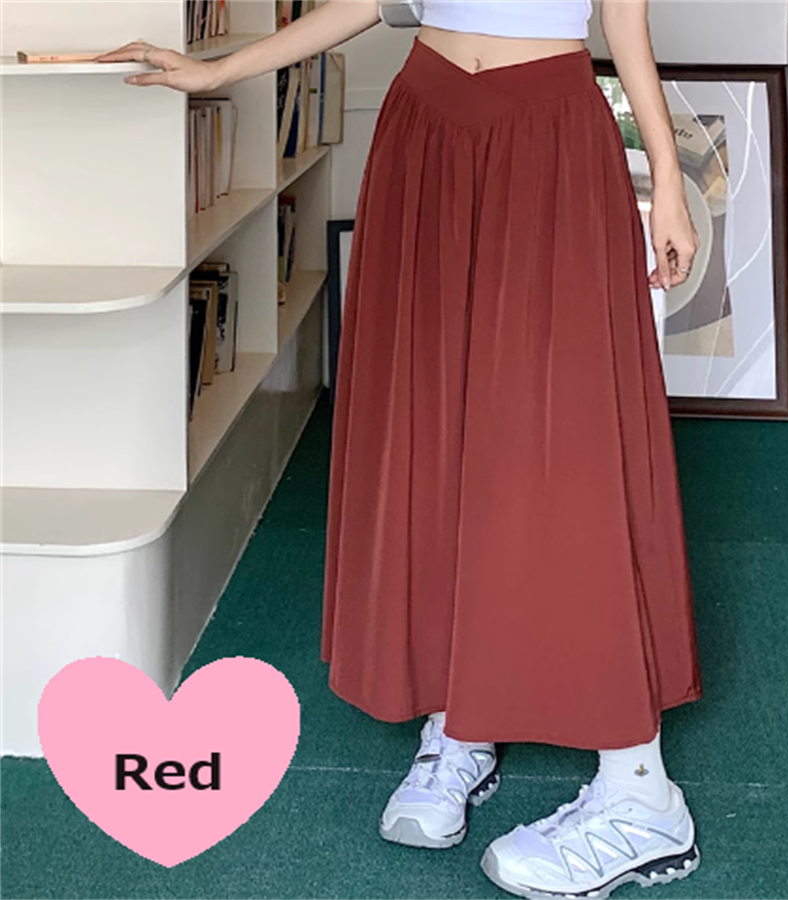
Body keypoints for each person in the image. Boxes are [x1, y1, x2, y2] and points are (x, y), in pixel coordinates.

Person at [98, 2, 703, 897]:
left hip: (549, 131)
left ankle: (641, 787)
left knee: (567, 434)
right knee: (432, 421)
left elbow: (626, 25)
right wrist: (223, 71)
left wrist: (669, 183)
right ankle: (462, 717)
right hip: (427, 120)